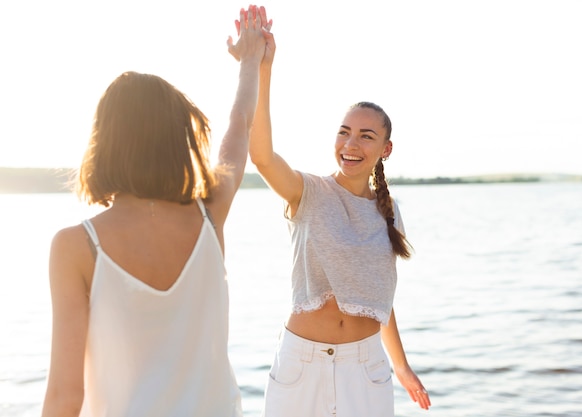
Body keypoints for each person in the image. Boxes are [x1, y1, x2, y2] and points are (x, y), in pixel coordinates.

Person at [41, 6, 270, 417]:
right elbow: (239, 126)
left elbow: (63, 395)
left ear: (104, 142)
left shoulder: (76, 246)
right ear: (179, 139)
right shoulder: (210, 212)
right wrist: (251, 61)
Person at [245, 11, 432, 417]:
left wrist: (401, 365)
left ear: (385, 149)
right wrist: (263, 69)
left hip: (365, 369)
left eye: (367, 136)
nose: (351, 143)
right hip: (301, 364)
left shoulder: (390, 211)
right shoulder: (308, 191)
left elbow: (378, 297)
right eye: (344, 131)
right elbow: (260, 155)